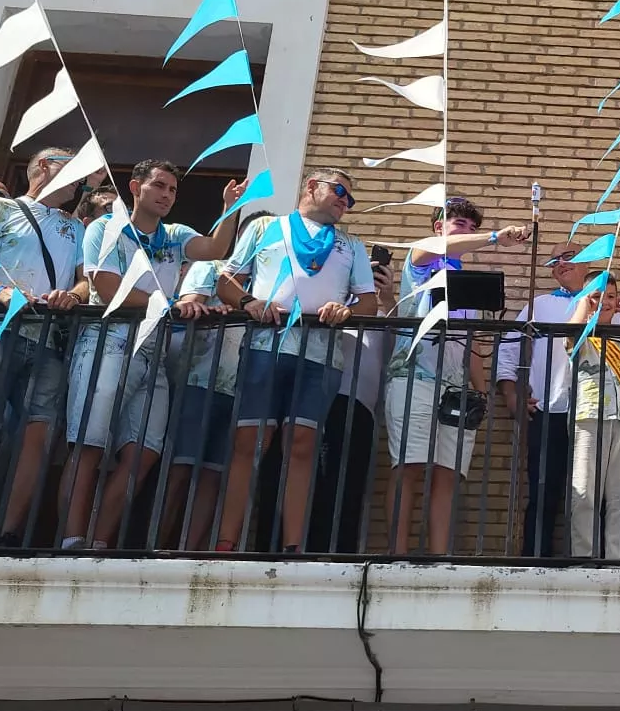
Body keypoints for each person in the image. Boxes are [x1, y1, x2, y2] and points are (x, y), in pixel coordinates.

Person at [60, 161, 243, 550]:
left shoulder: (174, 235)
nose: (166, 195)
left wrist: (231, 207)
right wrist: (170, 305)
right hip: (108, 342)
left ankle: (98, 543)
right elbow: (108, 288)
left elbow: (214, 249)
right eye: (159, 186)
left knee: (144, 453)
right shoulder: (105, 228)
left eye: (173, 190)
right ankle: (71, 541)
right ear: (135, 187)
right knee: (89, 445)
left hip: (153, 352)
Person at [0, 145, 94, 547]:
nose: (79, 178)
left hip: (47, 336)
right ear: (44, 166)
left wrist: (73, 296)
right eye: (72, 168)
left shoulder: (75, 227)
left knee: (39, 434)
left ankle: (8, 533)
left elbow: (85, 280)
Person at [215, 169, 377, 553]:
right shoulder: (264, 228)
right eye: (339, 191)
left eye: (349, 199)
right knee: (249, 441)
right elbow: (226, 280)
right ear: (311, 186)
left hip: (321, 353)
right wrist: (248, 302)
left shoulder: (351, 245)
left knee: (303, 443)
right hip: (264, 346)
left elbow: (368, 302)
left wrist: (346, 309)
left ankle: (293, 546)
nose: (344, 202)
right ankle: (224, 542)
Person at [384, 195, 528, 554]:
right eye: (459, 224)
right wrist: (496, 237)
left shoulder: (467, 282)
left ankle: (440, 557)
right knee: (409, 467)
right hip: (412, 379)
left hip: (454, 388)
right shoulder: (420, 260)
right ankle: (395, 556)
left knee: (448, 474)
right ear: (439, 227)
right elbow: (436, 248)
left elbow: (469, 348)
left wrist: (480, 392)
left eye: (472, 227)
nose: (468, 231)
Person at [165, 212, 276, 550]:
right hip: (200, 379)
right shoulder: (213, 267)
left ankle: (190, 550)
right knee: (181, 468)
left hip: (242, 388)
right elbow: (187, 306)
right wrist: (214, 312)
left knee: (215, 474)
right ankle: (157, 545)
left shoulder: (268, 280)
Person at [496, 242, 588, 557]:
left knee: (594, 495)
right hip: (548, 411)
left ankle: (593, 564)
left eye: (570, 256)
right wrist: (512, 397)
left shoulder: (609, 303)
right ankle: (536, 563)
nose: (561, 263)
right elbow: (508, 352)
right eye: (555, 259)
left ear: (588, 262)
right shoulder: (540, 305)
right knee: (543, 491)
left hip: (597, 415)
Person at [564, 271, 620, 559]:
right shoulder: (585, 334)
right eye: (598, 297)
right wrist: (583, 306)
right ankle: (583, 558)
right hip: (589, 416)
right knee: (585, 491)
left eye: (611, 297)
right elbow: (569, 336)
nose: (606, 303)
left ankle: (617, 561)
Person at [315, 245, 396, 553]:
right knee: (317, 479)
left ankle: (342, 551)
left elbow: (394, 352)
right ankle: (307, 546)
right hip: (327, 394)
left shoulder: (383, 307)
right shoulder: (335, 298)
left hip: (361, 405)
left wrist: (386, 300)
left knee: (351, 483)